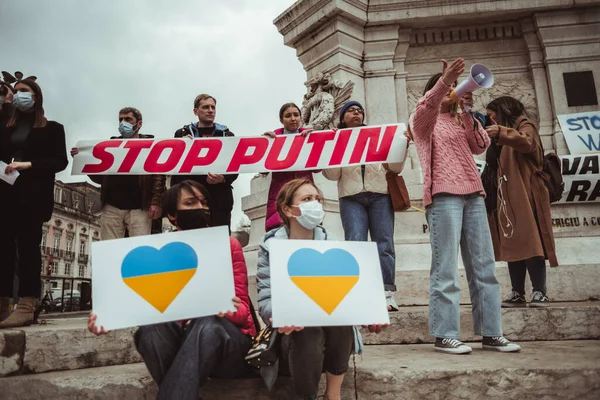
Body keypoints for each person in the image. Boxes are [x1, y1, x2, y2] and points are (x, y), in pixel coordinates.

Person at [88, 180, 256, 400]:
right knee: (150, 329)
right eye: (191, 202)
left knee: (207, 324)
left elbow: (244, 313)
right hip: (180, 345)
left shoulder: (228, 245)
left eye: (204, 202)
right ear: (172, 215)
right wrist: (107, 317)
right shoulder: (160, 253)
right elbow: (142, 304)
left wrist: (227, 309)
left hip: (226, 346)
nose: (201, 207)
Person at [410, 58, 520, 354]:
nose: (456, 93)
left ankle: (491, 333)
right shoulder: (424, 120)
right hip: (444, 196)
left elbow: (481, 145)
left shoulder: (461, 119)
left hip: (473, 194)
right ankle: (444, 334)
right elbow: (426, 108)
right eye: (448, 89)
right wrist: (445, 82)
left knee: (484, 266)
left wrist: (469, 112)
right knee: (445, 268)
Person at [257, 178, 385, 400]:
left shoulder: (335, 248)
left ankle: (332, 395)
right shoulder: (270, 249)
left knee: (338, 316)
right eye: (307, 199)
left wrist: (369, 314)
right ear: (287, 209)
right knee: (308, 328)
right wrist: (278, 315)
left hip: (332, 335)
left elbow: (350, 296)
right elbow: (266, 298)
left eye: (317, 199)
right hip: (292, 338)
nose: (315, 204)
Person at [322, 101, 406, 311]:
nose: (356, 113)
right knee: (355, 244)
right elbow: (332, 175)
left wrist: (402, 146)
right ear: (342, 117)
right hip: (350, 198)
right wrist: (331, 148)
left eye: (360, 110)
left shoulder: (378, 136)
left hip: (380, 196)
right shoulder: (337, 139)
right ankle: (357, 293)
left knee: (384, 244)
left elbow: (394, 167)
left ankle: (387, 294)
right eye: (351, 110)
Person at [0, 78, 68, 328]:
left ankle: (27, 304)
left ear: (36, 96)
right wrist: (4, 97)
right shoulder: (5, 126)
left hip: (32, 196)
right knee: (3, 249)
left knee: (28, 249)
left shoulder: (52, 128)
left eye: (24, 91)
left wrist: (28, 165)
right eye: (15, 92)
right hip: (5, 195)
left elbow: (60, 162)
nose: (19, 95)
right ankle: (3, 303)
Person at [484, 96, 557, 308]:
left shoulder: (525, 125)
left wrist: (502, 133)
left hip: (527, 194)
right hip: (507, 196)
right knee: (512, 243)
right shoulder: (503, 133)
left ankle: (539, 291)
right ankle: (517, 292)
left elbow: (528, 143)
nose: (491, 118)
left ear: (504, 110)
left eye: (493, 114)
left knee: (531, 241)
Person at [71, 107, 165, 240]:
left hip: (139, 208)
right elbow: (101, 178)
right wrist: (82, 161)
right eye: (120, 119)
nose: (123, 123)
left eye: (128, 119)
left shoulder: (150, 146)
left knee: (140, 247)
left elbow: (158, 177)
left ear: (139, 124)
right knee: (109, 248)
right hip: (112, 205)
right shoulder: (110, 146)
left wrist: (156, 202)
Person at [172, 94, 237, 230]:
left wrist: (223, 178)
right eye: (205, 107)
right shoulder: (182, 134)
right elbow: (174, 166)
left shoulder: (228, 135)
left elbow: (236, 166)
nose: (210, 110)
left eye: (213, 107)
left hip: (219, 200)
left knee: (220, 243)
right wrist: (181, 146)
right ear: (196, 111)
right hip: (190, 198)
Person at [263, 102, 316, 232]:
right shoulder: (271, 139)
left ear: (301, 118)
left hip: (305, 193)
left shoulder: (311, 137)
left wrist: (316, 142)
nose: (293, 118)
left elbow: (318, 168)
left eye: (296, 115)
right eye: (288, 116)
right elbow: (262, 170)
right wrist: (264, 144)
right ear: (281, 120)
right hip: (281, 194)